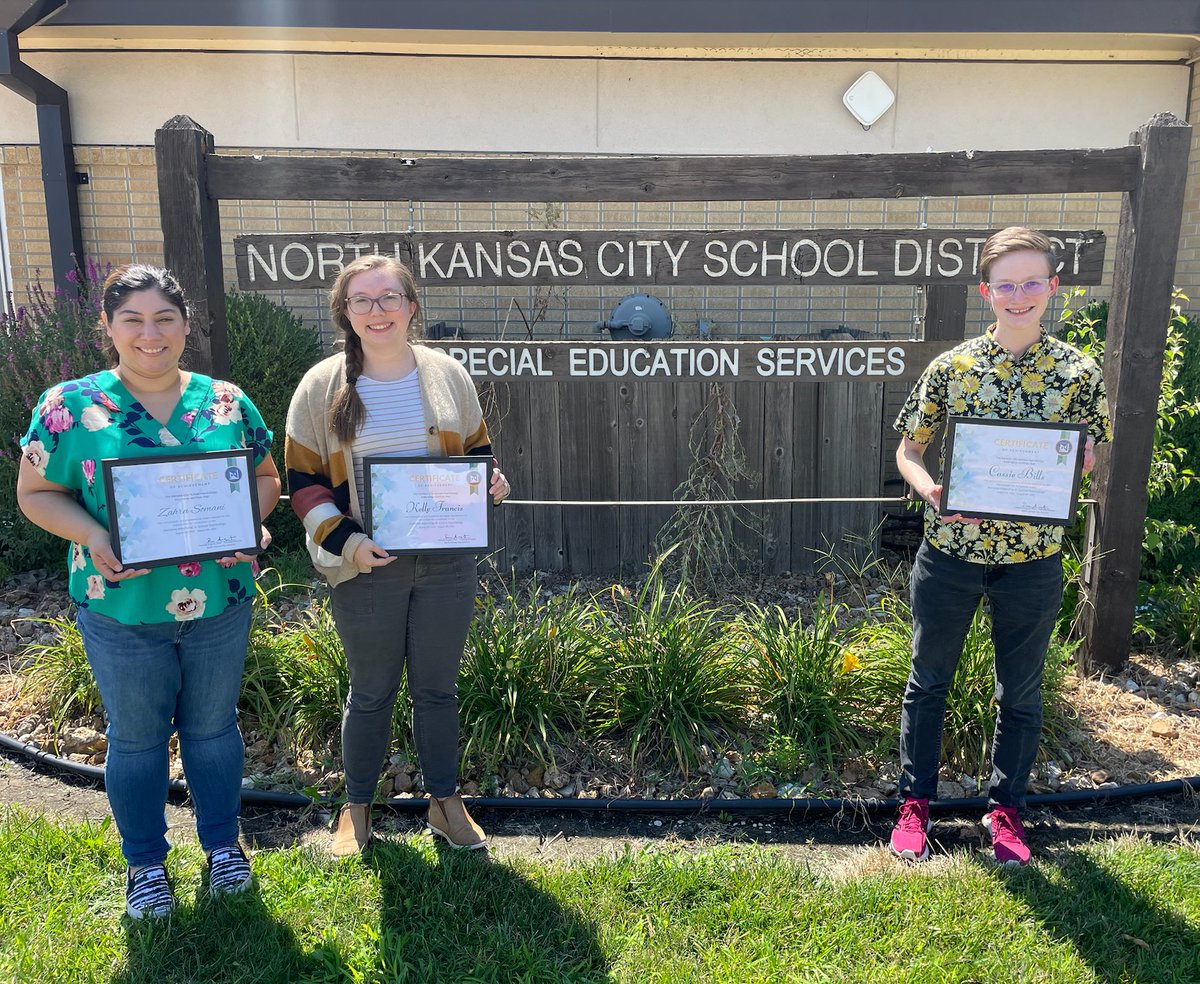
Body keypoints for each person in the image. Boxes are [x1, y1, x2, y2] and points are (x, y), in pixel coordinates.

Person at [16, 264, 280, 918]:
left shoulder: (226, 401)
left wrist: (252, 522)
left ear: (186, 324)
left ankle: (223, 848)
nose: (150, 334)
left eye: (165, 318)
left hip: (219, 601)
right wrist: (93, 536)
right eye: (132, 319)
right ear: (106, 327)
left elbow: (266, 477)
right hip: (122, 607)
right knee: (136, 739)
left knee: (214, 730)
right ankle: (145, 865)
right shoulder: (68, 406)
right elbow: (36, 493)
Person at [889, 227, 1111, 866]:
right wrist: (930, 487)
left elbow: (1086, 457)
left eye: (1031, 282)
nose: (1019, 296)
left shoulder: (1078, 373)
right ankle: (915, 805)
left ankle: (1006, 812)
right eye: (1006, 285)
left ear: (1052, 288)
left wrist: (1082, 464)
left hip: (1031, 563)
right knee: (928, 682)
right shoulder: (952, 368)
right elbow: (909, 448)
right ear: (987, 292)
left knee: (1021, 692)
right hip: (950, 554)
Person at [285, 254, 509, 857]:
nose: (377, 310)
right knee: (371, 690)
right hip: (366, 564)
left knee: (438, 689)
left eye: (389, 298)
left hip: (445, 564)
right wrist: (347, 543)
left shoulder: (446, 373)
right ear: (345, 312)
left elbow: (478, 450)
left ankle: (444, 804)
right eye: (363, 300)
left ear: (411, 306)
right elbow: (302, 481)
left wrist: (488, 483)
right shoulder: (321, 385)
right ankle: (356, 810)